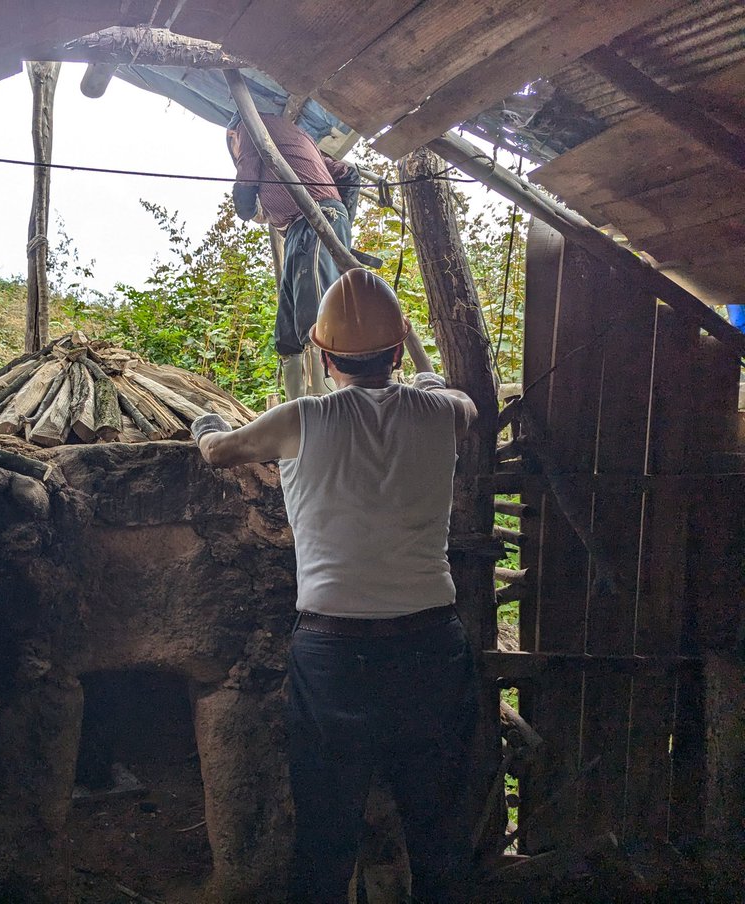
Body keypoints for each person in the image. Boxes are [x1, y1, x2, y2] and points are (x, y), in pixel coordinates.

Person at [191, 269, 479, 903]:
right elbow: (462, 402)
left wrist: (205, 423)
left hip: (332, 655)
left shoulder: (301, 420)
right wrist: (427, 374)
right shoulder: (443, 414)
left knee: (325, 829)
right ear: (399, 349)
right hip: (433, 645)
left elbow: (218, 453)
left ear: (322, 355)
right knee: (437, 828)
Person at [227, 112, 362, 400]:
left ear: (232, 138)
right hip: (300, 229)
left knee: (314, 309)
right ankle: (297, 405)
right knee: (288, 324)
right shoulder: (300, 140)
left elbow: (246, 178)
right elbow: (348, 174)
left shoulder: (248, 126)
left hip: (314, 218)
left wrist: (247, 208)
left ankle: (327, 401)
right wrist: (341, 229)